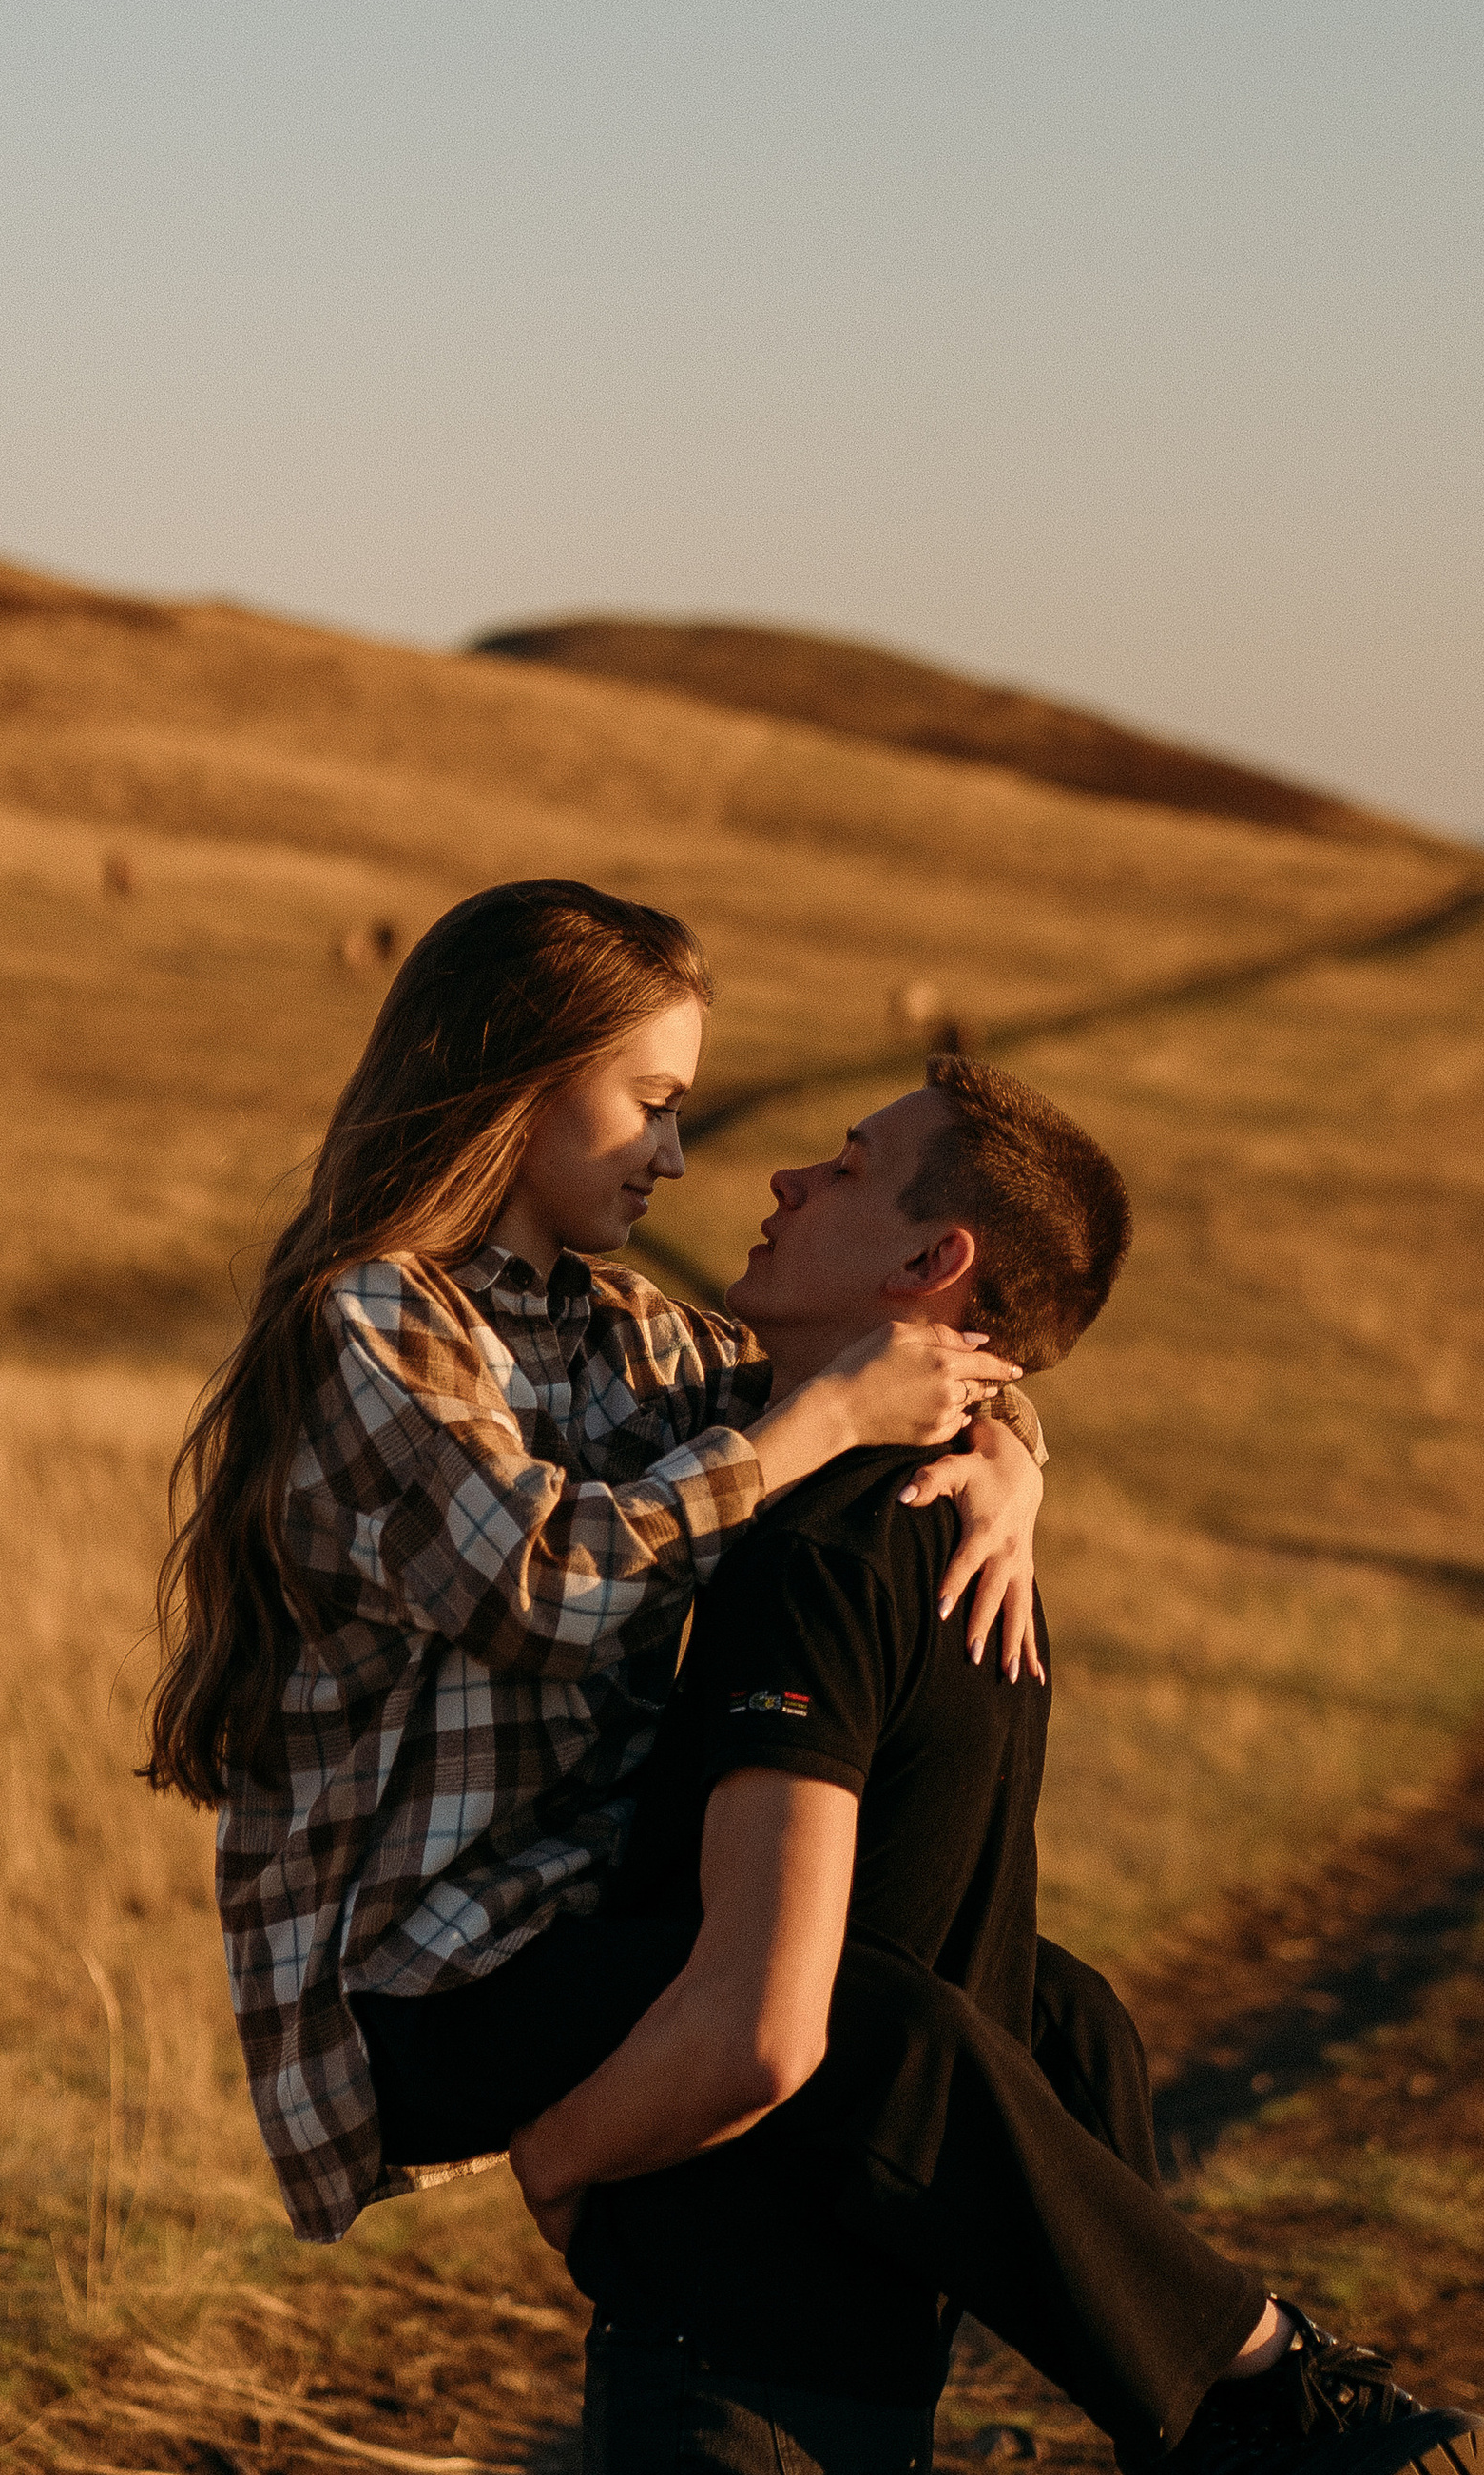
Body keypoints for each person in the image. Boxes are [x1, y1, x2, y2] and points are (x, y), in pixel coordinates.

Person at [508, 1066, 1484, 2475]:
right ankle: (1236, 2449)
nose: (780, 1173)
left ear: (930, 1263)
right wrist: (1011, 1445)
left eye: (847, 1168)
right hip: (864, 2344)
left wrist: (558, 2151)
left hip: (732, 2348)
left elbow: (775, 2025)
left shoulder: (818, 1565)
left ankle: (1264, 2417)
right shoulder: (965, 1546)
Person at [146, 879, 1052, 2243]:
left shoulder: (631, 1334)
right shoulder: (380, 1321)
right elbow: (548, 1588)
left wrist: (1011, 1450)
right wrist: (815, 1425)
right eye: (652, 1103)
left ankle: (1189, 2388)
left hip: (593, 1928)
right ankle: (1240, 2387)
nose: (677, 1157)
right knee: (882, 2019)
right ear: (519, 1084)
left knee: (1050, 2012)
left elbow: (871, 1367)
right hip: (423, 1982)